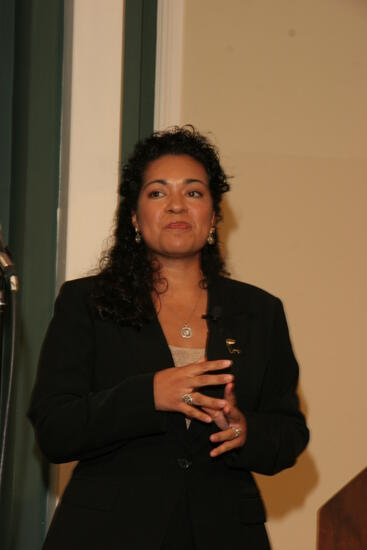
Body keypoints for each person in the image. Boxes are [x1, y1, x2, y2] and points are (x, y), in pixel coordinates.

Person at [29, 126, 309, 550]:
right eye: (158, 193)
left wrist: (246, 430)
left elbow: (289, 434)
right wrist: (149, 395)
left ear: (214, 216)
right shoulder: (86, 302)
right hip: (109, 534)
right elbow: (54, 429)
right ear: (134, 217)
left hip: (224, 533)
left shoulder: (260, 312)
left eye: (194, 193)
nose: (177, 204)